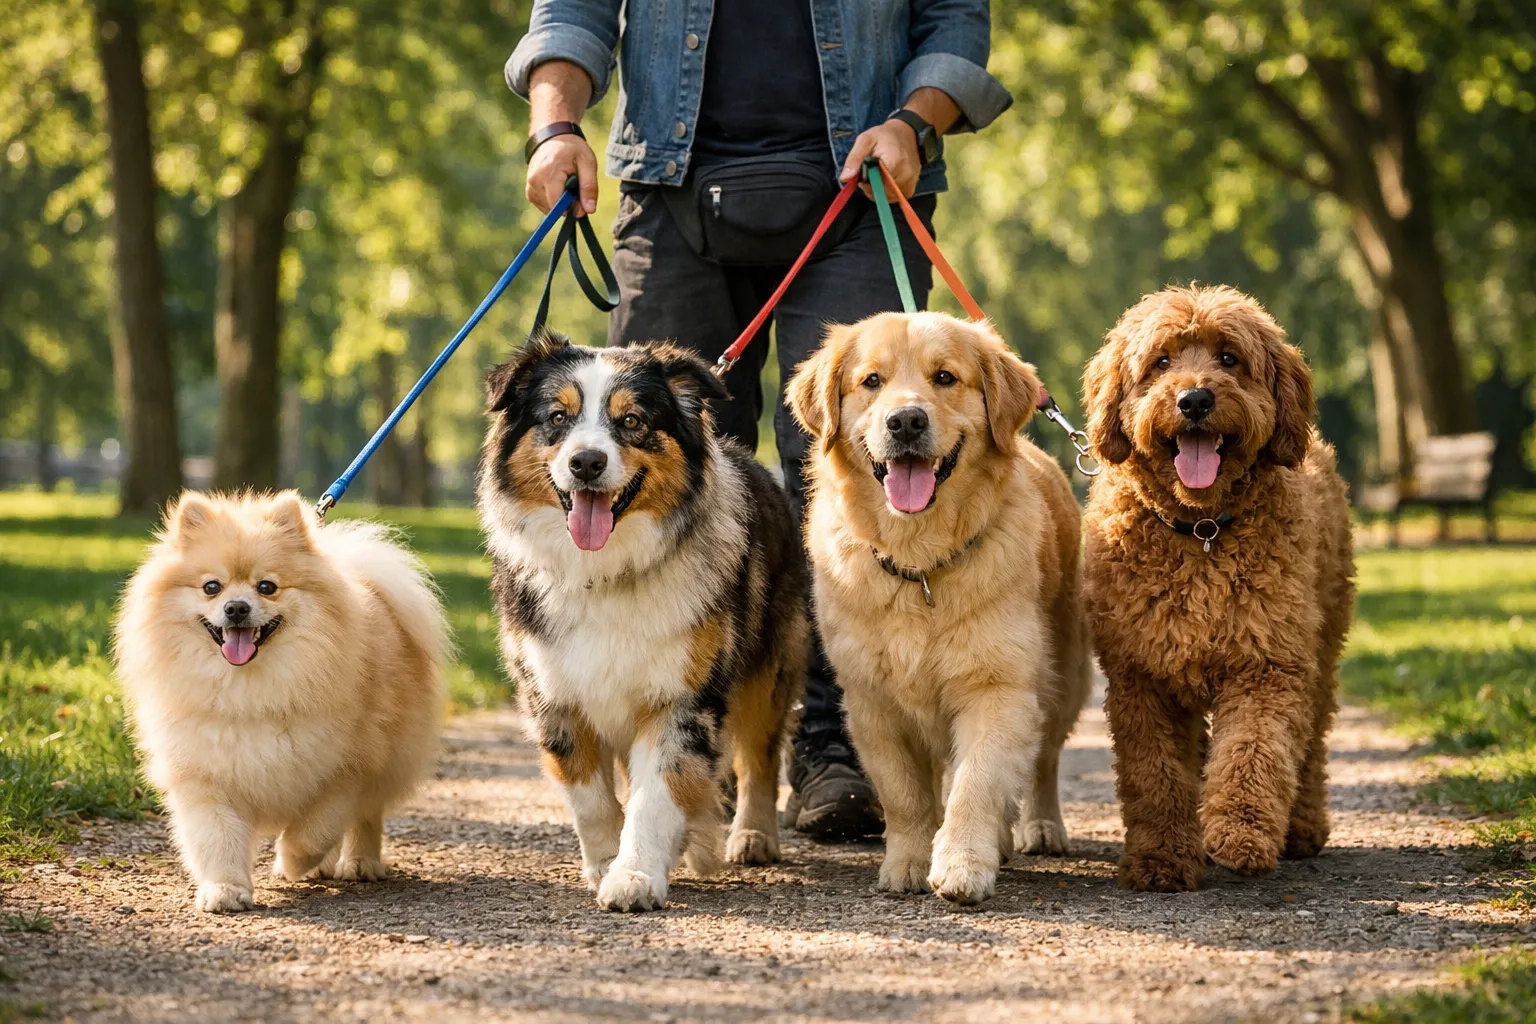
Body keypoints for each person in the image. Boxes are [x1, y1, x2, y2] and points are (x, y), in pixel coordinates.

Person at [507, 0, 1012, 839]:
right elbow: (573, 11)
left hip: (861, 191)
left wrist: (914, 123)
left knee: (866, 468)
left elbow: (954, 17)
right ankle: (684, 734)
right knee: (650, 471)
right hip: (667, 192)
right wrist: (555, 127)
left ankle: (832, 742)